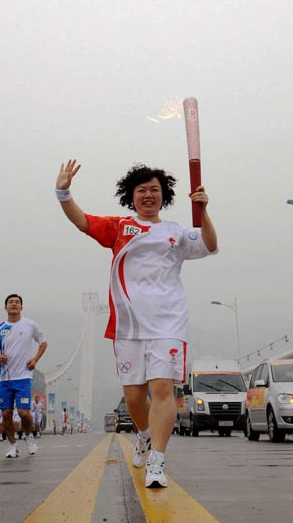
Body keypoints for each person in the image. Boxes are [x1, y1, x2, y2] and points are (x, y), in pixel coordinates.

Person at [56, 160, 218, 488]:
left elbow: (210, 244)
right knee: (133, 396)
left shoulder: (176, 232)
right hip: (128, 325)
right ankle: (144, 435)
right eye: (142, 190)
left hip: (168, 323)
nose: (148, 195)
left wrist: (204, 211)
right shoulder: (120, 227)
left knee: (162, 389)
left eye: (154, 190)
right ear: (132, 196)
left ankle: (157, 461)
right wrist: (63, 192)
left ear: (164, 195)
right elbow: (83, 221)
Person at [0, 294, 47, 458]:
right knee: (6, 414)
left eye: (17, 302)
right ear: (6, 307)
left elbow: (43, 343)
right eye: (11, 302)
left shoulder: (30, 325)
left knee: (24, 413)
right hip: (5, 379)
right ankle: (12, 446)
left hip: (23, 377)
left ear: (21, 307)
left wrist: (35, 359)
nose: (14, 304)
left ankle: (29, 437)